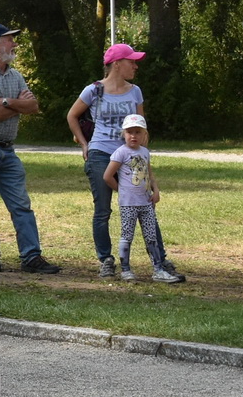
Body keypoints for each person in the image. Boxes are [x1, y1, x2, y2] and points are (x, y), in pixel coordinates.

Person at [0, 24, 60, 274]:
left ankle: (31, 257)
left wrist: (6, 101)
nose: (15, 45)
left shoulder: (16, 76)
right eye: (10, 40)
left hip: (7, 149)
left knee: (21, 204)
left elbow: (34, 107)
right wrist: (18, 105)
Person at [66, 43, 148, 278]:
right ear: (116, 64)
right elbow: (72, 115)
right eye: (131, 61)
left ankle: (158, 258)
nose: (135, 65)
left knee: (141, 206)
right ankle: (106, 259)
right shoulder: (93, 90)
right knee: (103, 210)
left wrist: (143, 157)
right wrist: (85, 145)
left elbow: (141, 126)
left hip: (128, 156)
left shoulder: (135, 91)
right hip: (101, 154)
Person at [103, 114, 186, 283]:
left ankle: (158, 270)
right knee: (127, 235)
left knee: (151, 236)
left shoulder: (145, 152)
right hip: (129, 205)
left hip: (146, 203)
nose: (133, 136)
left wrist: (155, 190)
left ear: (144, 135)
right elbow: (107, 176)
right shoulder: (120, 153)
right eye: (129, 132)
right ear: (123, 134)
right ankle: (125, 269)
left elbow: (149, 173)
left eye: (137, 132)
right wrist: (122, 190)